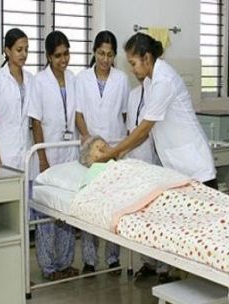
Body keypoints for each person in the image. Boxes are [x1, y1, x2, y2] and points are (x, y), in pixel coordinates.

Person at [97, 32, 217, 283]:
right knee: (186, 235)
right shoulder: (151, 81)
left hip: (196, 167)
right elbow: (142, 131)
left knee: (207, 237)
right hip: (177, 169)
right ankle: (190, 287)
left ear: (147, 57)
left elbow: (144, 129)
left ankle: (214, 291)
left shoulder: (164, 79)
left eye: (133, 63)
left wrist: (112, 152)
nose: (131, 69)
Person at [75, 30, 130, 275]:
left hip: (115, 149)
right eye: (100, 53)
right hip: (91, 150)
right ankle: (89, 260)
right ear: (94, 52)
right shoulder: (82, 78)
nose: (105, 59)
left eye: (109, 54)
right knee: (90, 203)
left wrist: (121, 147)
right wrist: (89, 138)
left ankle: (113, 258)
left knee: (113, 205)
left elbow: (127, 115)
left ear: (115, 56)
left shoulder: (121, 79)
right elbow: (78, 114)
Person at [27, 30, 78, 281]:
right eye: (58, 55)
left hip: (69, 153)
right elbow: (35, 122)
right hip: (48, 155)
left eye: (66, 53)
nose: (64, 60)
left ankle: (65, 262)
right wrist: (43, 157)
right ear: (48, 57)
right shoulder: (39, 81)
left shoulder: (73, 78)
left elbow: (77, 115)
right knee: (47, 215)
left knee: (67, 213)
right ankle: (48, 267)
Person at [126, 77, 168, 282]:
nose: (136, 69)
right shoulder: (133, 95)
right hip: (137, 163)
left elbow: (146, 131)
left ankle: (164, 267)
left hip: (156, 162)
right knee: (141, 217)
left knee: (159, 217)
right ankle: (147, 262)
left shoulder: (159, 92)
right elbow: (130, 129)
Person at [0, 28, 32, 170]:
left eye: (26, 49)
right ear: (7, 51)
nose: (24, 54)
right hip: (4, 153)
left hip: (25, 151)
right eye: (19, 50)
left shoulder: (31, 79)